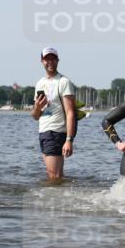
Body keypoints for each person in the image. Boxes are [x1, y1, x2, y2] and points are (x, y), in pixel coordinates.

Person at [30, 47, 76, 180]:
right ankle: (60, 198)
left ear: (57, 60)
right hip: (43, 131)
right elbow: (35, 116)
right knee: (56, 176)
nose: (50, 62)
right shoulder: (40, 83)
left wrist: (69, 140)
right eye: (47, 59)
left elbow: (70, 112)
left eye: (53, 59)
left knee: (53, 176)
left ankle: (52, 199)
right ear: (41, 61)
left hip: (56, 132)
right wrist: (38, 107)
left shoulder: (64, 82)